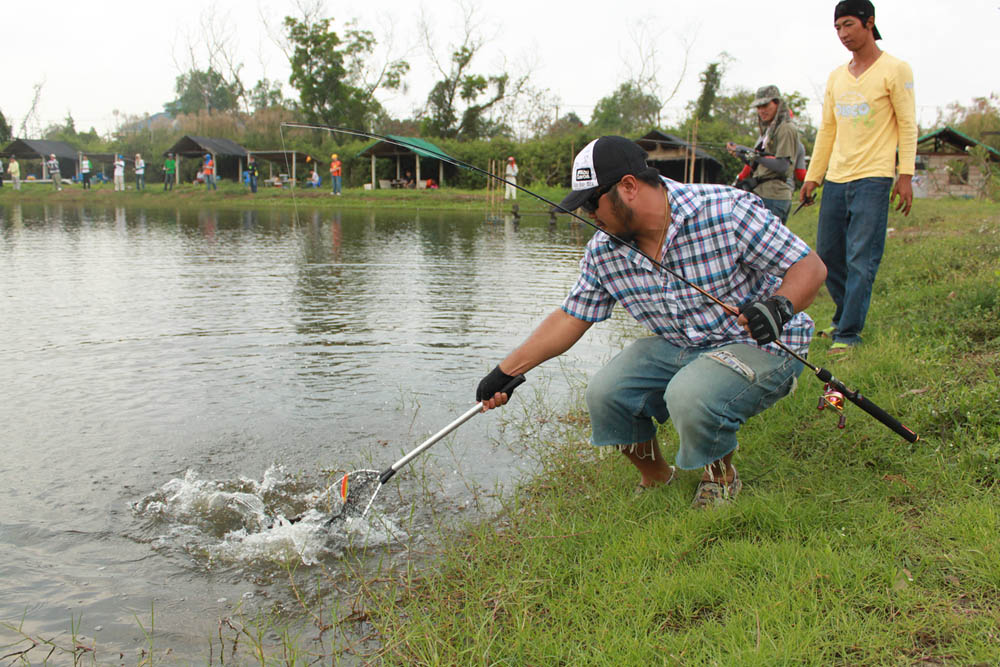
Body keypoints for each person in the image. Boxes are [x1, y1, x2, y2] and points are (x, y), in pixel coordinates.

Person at [477, 136, 826, 508]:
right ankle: (657, 478)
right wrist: (505, 372)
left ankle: (720, 477)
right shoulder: (604, 251)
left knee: (691, 393)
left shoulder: (725, 209)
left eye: (593, 203)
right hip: (683, 345)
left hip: (765, 345)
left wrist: (778, 306)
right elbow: (570, 317)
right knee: (606, 393)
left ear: (628, 187)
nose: (589, 216)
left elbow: (808, 266)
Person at [800, 0, 916, 354]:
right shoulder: (836, 77)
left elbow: (908, 124)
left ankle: (848, 334)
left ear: (870, 23)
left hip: (874, 178)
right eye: (837, 28)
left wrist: (905, 175)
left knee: (861, 257)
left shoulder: (895, 69)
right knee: (829, 256)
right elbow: (827, 131)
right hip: (836, 178)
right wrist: (813, 177)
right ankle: (841, 315)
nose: (843, 34)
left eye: (849, 25)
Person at [727, 85, 799, 223]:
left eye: (765, 105)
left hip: (774, 197)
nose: (761, 111)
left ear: (777, 103)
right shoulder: (769, 130)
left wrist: (753, 155)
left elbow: (782, 165)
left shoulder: (786, 129)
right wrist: (741, 152)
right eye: (758, 107)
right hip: (761, 193)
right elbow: (761, 164)